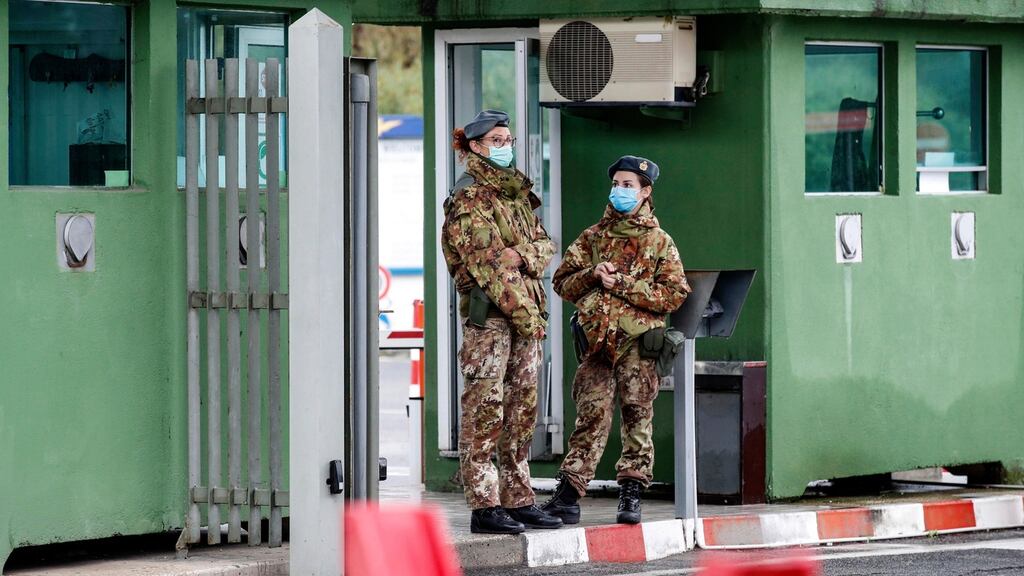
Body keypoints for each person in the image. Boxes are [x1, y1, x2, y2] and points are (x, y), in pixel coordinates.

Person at [542, 155, 691, 525]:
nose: (620, 191)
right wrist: (593, 274)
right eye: (617, 184)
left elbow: (675, 293)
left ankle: (631, 492)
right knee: (590, 416)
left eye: (628, 185)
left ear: (645, 192)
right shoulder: (593, 237)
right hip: (597, 347)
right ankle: (569, 494)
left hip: (639, 345)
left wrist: (622, 283)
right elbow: (562, 281)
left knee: (637, 416)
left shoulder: (660, 242)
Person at [440, 109, 563, 534]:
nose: (506, 146)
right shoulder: (470, 199)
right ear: (475, 146)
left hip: (524, 319)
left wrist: (524, 254)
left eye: (508, 139)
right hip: (491, 321)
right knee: (485, 411)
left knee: (521, 412)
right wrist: (527, 312)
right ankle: (484, 505)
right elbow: (489, 267)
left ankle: (519, 496)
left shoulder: (515, 195)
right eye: (497, 139)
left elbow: (546, 244)